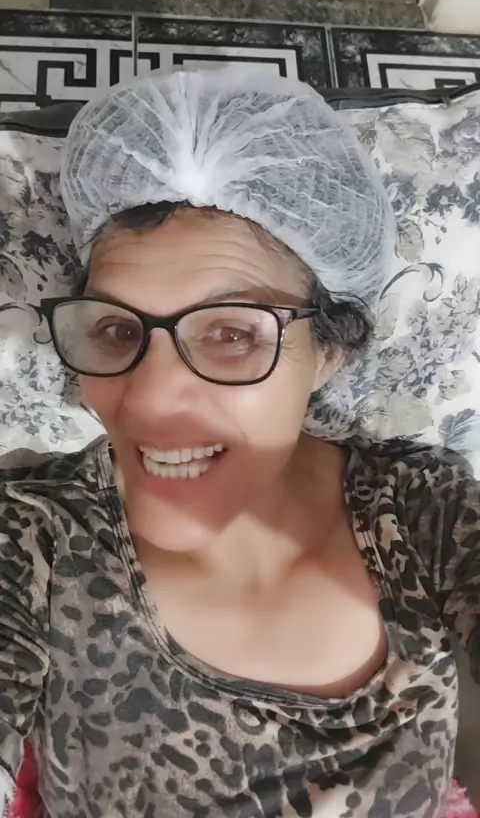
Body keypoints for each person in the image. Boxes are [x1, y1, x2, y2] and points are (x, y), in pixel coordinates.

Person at [0, 69, 479, 818]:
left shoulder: (423, 513)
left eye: (231, 334)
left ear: (328, 354)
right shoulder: (35, 538)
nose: (148, 399)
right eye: (118, 330)